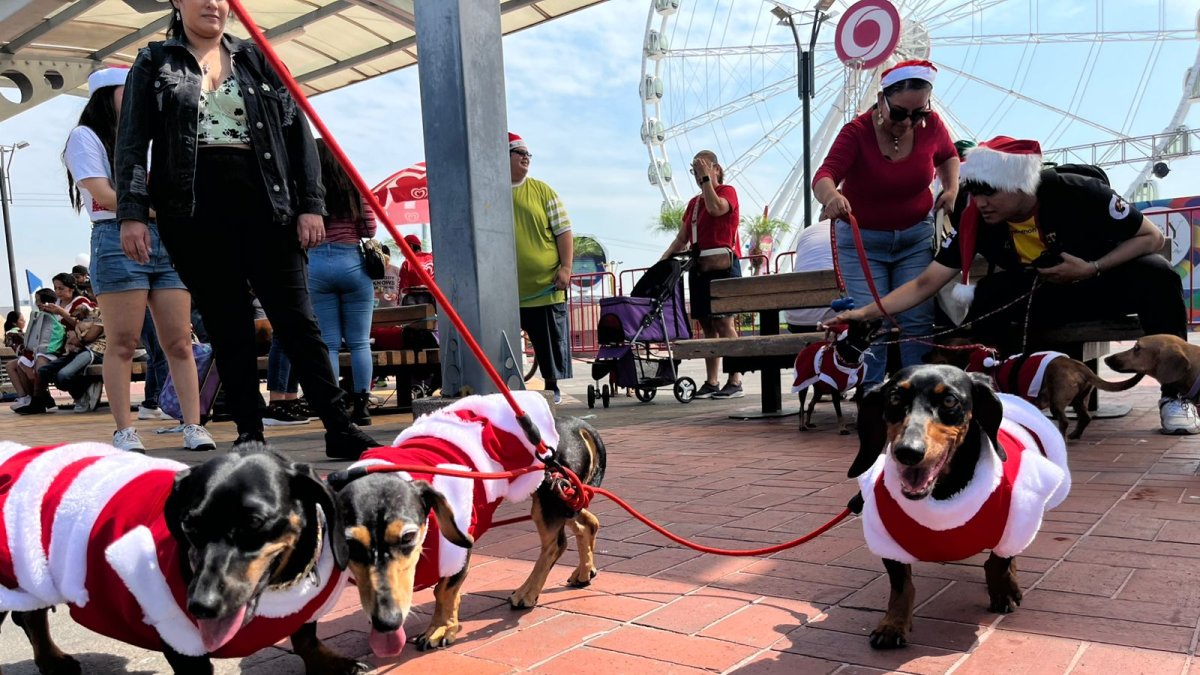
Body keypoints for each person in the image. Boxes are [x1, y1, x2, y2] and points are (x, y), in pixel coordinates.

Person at [115, 0, 377, 457]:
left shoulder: (259, 59)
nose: (212, 3)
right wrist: (132, 212)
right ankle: (250, 433)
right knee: (227, 324)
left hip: (269, 206)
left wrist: (311, 205)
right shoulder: (154, 61)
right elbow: (133, 142)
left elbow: (299, 131)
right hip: (192, 211)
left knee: (298, 321)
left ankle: (339, 426)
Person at [832, 136, 1186, 433]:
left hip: (1097, 282)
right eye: (975, 193)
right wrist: (863, 312)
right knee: (989, 295)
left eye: (990, 194)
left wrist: (1091, 267)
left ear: (1020, 185)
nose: (980, 203)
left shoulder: (1077, 192)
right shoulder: (977, 218)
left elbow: (1151, 238)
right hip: (1042, 292)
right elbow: (927, 281)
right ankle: (996, 399)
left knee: (1158, 273)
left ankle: (1176, 396)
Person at [64, 66, 212, 452]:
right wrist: (163, 208)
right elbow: (104, 195)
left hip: (167, 240)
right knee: (123, 342)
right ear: (106, 96)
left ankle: (193, 425)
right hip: (115, 237)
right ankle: (124, 430)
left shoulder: (152, 136)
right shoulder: (85, 136)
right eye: (129, 92)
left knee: (180, 341)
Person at [812, 59, 959, 385]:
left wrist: (951, 189)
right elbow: (824, 175)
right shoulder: (857, 131)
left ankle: (919, 399)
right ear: (881, 100)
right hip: (863, 242)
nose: (909, 122)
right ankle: (873, 401)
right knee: (868, 324)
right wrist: (831, 197)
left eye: (918, 113)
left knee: (917, 321)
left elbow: (949, 155)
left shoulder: (932, 125)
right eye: (900, 113)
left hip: (915, 237)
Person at [660, 150, 744, 399]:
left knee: (724, 322)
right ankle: (712, 381)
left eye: (702, 168)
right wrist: (663, 260)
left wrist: (707, 179)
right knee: (707, 326)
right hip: (700, 266)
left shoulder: (727, 192)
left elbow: (717, 209)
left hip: (724, 266)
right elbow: (682, 237)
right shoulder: (693, 204)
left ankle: (735, 379)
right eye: (694, 170)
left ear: (716, 168)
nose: (698, 175)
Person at [308, 139, 377, 426]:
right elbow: (370, 228)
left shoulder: (307, 189)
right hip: (352, 262)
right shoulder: (354, 187)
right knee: (360, 342)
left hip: (316, 264)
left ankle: (335, 409)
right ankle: (362, 406)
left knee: (330, 344)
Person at [509, 132, 574, 404]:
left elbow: (564, 231)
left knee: (549, 342)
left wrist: (566, 267)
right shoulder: (489, 191)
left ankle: (552, 386)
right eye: (519, 152)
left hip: (545, 286)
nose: (526, 157)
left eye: (528, 154)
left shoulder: (543, 191)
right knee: (506, 346)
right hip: (507, 291)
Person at [7, 289, 65, 414]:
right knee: (21, 363)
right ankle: (34, 398)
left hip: (48, 352)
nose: (37, 303)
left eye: (38, 300)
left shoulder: (55, 315)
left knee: (33, 366)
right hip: (41, 352)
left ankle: (37, 399)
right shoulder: (43, 315)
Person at [398, 234, 435, 307]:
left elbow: (403, 289)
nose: (401, 251)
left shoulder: (407, 263)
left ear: (410, 246)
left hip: (414, 307)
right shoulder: (432, 258)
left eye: (402, 248)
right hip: (435, 303)